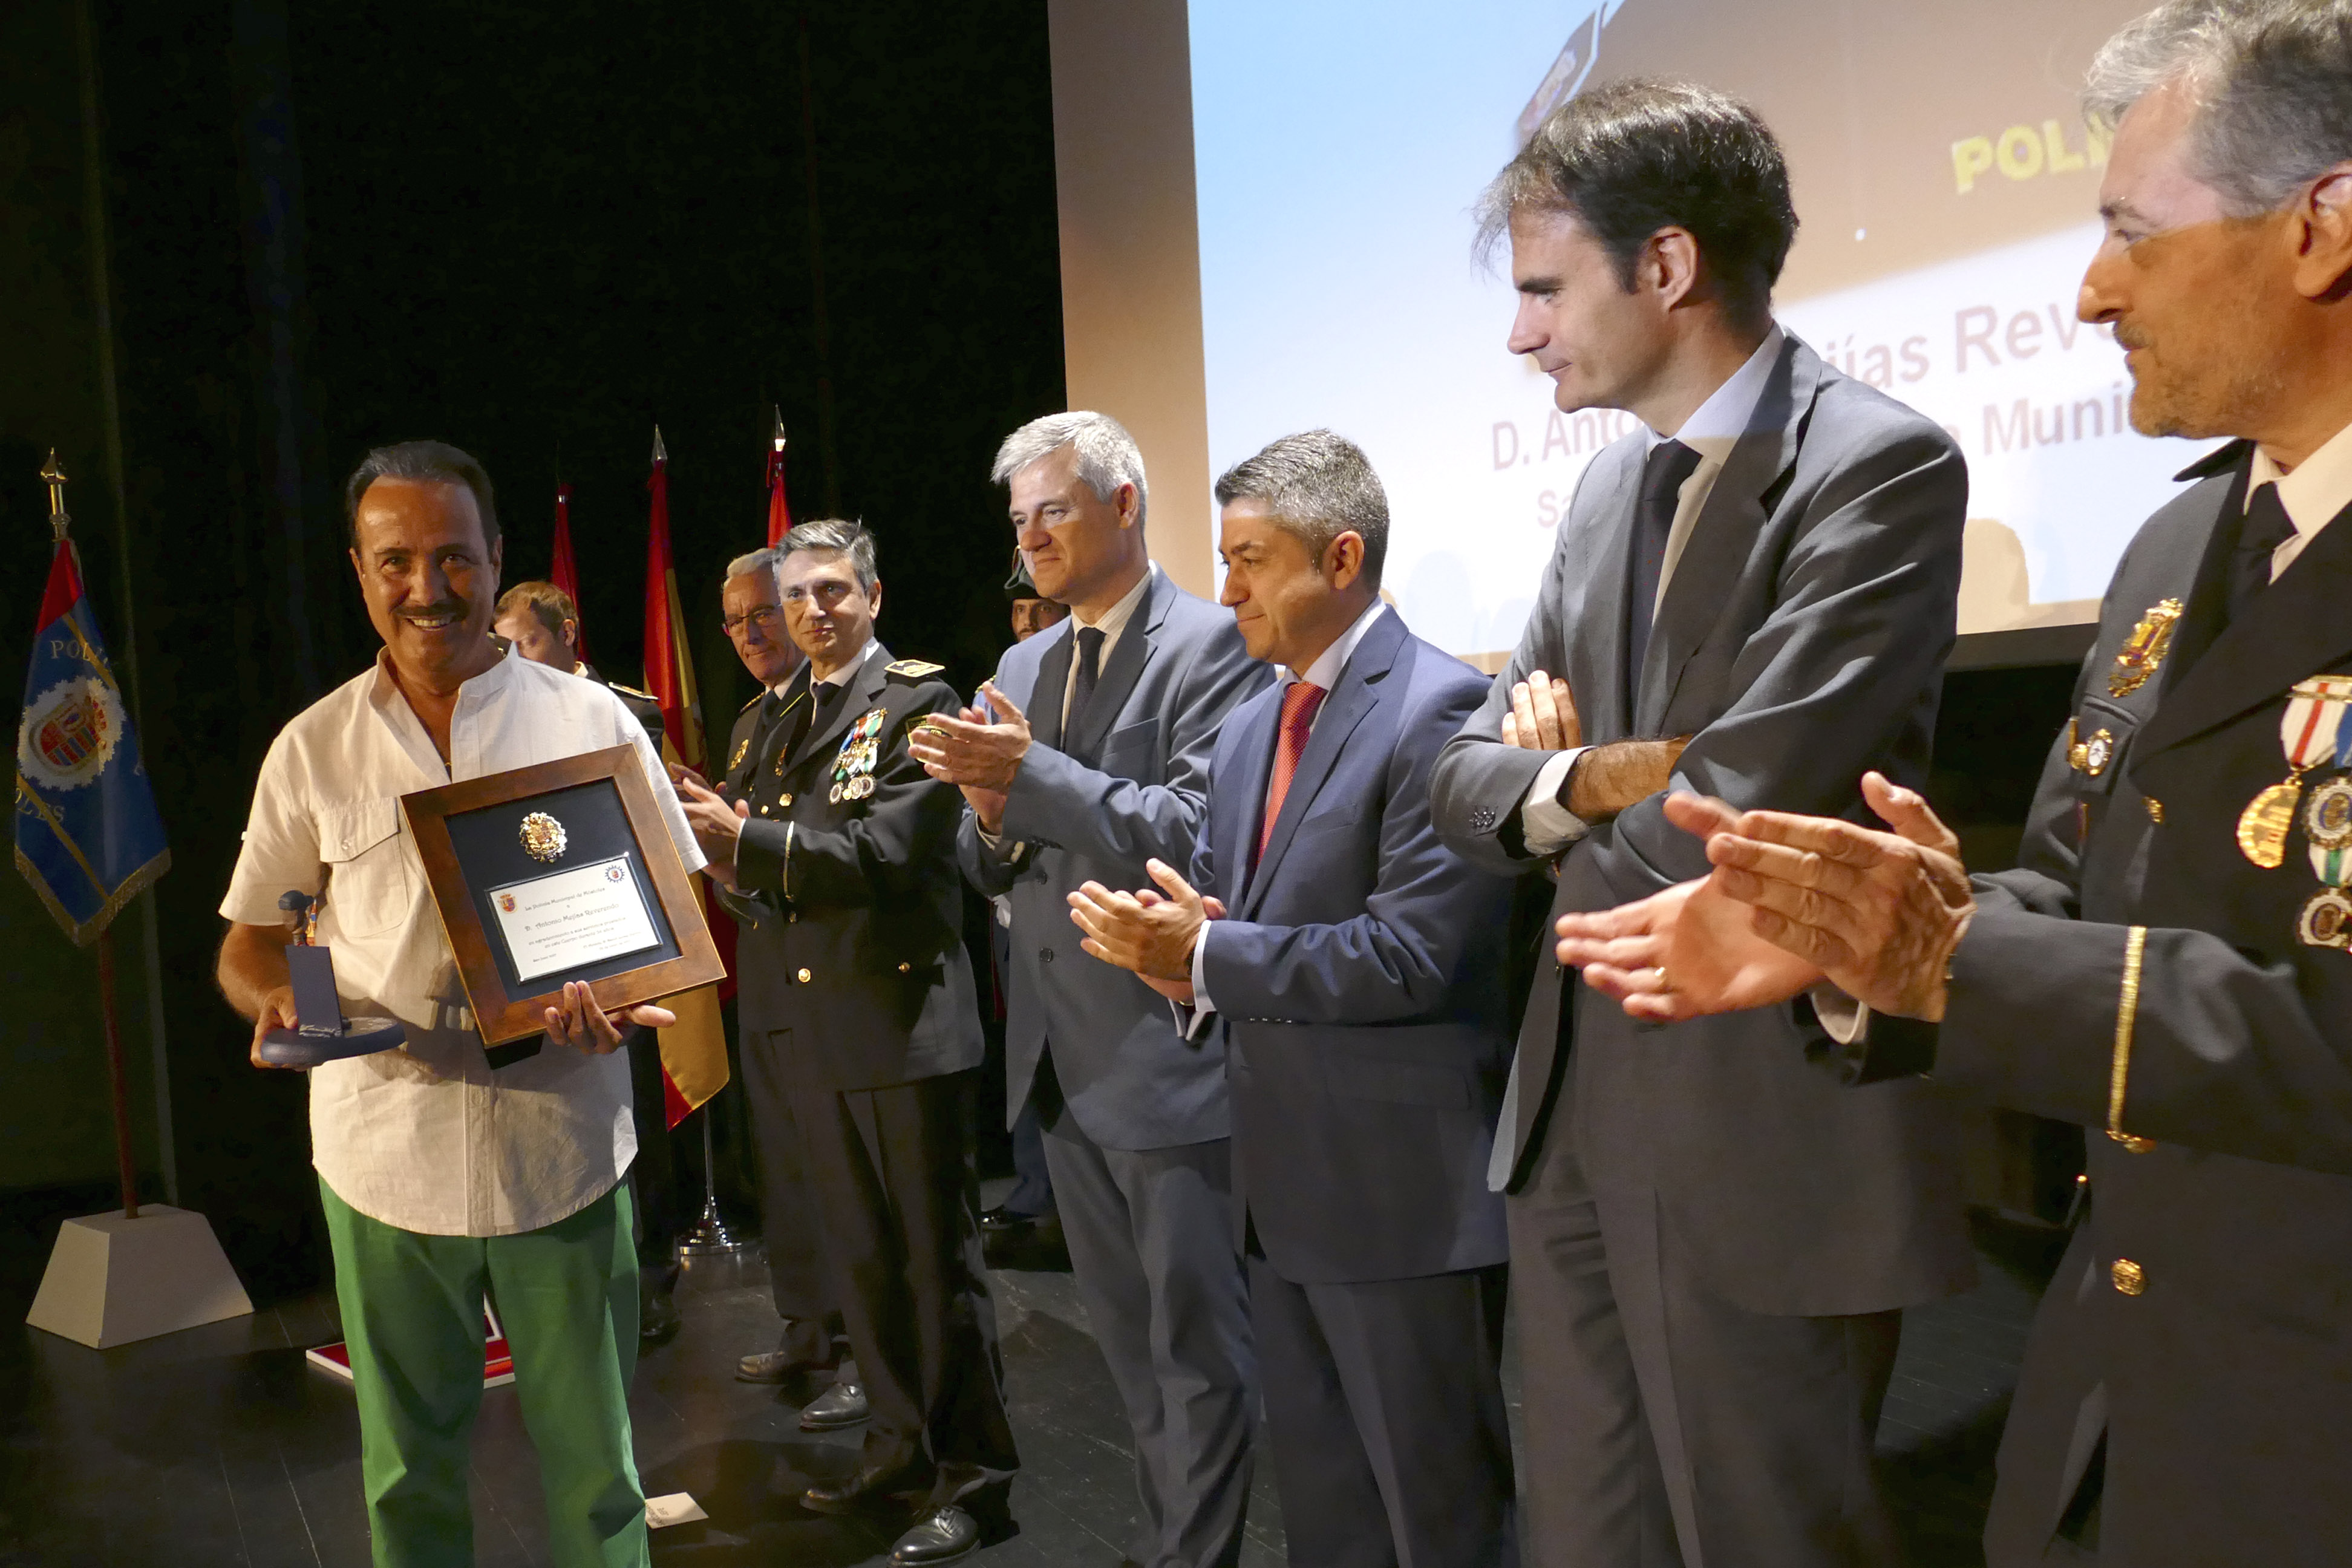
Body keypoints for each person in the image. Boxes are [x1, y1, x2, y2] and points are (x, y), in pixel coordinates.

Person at [1553, 7, 2352, 1561]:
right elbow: (2074, 888)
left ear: (2320, 226)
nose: (2090, 288)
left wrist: (1955, 955)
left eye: (2132, 231)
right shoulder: (2176, 544)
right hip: (2122, 1398)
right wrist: (1869, 938)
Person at [1425, 81, 1977, 1567]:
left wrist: (1564, 782)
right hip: (1575, 1122)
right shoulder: (1607, 491)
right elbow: (1460, 783)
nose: (1522, 334)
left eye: (1545, 290)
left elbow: (1745, 810)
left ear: (1664, 266)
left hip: (1756, 1125)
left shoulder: (1878, 463)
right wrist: (1596, 777)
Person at [216, 441, 694, 1567]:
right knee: (408, 1481)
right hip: (384, 1156)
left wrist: (626, 1001)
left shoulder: (591, 722)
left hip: (563, 1147)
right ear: (358, 569)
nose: (426, 587)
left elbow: (666, 924)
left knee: (599, 1476)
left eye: (453, 557)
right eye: (396, 561)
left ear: (495, 557)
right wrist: (283, 996)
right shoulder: (313, 747)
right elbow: (254, 937)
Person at [1070, 431, 1521, 1567]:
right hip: (1276, 1195)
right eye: (1224, 562)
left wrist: (1207, 957)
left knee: (1441, 1522)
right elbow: (1229, 925)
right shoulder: (1246, 729)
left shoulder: (1441, 707)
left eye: (1250, 561)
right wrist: (1174, 960)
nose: (1226, 592)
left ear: (1342, 558)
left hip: (1402, 1201)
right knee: (1330, 1524)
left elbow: (1411, 955)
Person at [910, 412, 1272, 1568]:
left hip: (1167, 1052)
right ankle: (1172, 1541)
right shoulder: (1020, 664)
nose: (1030, 539)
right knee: (1128, 1346)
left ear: (1123, 505)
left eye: (1052, 512)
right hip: (1061, 1065)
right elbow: (988, 860)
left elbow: (1200, 831)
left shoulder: (1215, 644)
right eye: (1019, 520)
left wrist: (1031, 775)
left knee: (1196, 1348)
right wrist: (987, 814)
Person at [676, 520, 1018, 1566]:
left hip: (903, 1031)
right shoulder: (777, 717)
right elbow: (771, 879)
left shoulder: (918, 702)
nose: (811, 610)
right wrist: (728, 859)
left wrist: (750, 842)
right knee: (863, 1264)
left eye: (832, 590)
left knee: (935, 1271)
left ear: (872, 595)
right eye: (797, 595)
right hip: (815, 1028)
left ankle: (973, 1480)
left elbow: (888, 854)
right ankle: (896, 1452)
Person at [494, 578, 685, 1343]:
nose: (515, 658)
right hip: (542, 938)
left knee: (636, 1105)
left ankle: (656, 1272)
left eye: (528, 641)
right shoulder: (500, 719)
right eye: (504, 646)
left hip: (613, 931)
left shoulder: (621, 709)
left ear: (567, 631)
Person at [702, 546, 861, 1425]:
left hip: (833, 970)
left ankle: (867, 1353)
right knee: (788, 1161)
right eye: (734, 621)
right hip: (766, 965)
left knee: (844, 1173)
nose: (750, 633)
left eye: (764, 611)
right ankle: (809, 1325)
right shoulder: (750, 723)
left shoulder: (842, 709)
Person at [982, 554, 1067, 1253]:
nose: (1028, 621)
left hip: (1075, 909)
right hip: (1014, 902)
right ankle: (1036, 1192)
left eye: (1039, 608)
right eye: (1018, 610)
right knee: (1030, 1058)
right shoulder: (1007, 681)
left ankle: (1054, 1204)